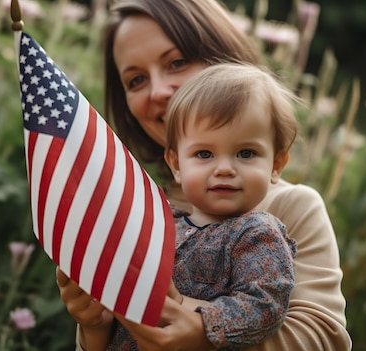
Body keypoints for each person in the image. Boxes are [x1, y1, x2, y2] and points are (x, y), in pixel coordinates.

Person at [56, 0, 352, 350]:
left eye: (177, 62)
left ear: (221, 54)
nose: (158, 91)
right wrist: (96, 329)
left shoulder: (288, 209)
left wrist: (202, 331)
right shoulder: (139, 213)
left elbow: (321, 339)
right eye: (136, 79)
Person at [116, 62, 300, 349]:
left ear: (276, 164)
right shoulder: (160, 223)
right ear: (176, 164)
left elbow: (265, 303)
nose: (225, 168)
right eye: (204, 153)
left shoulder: (257, 234)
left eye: (246, 153)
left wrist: (202, 323)